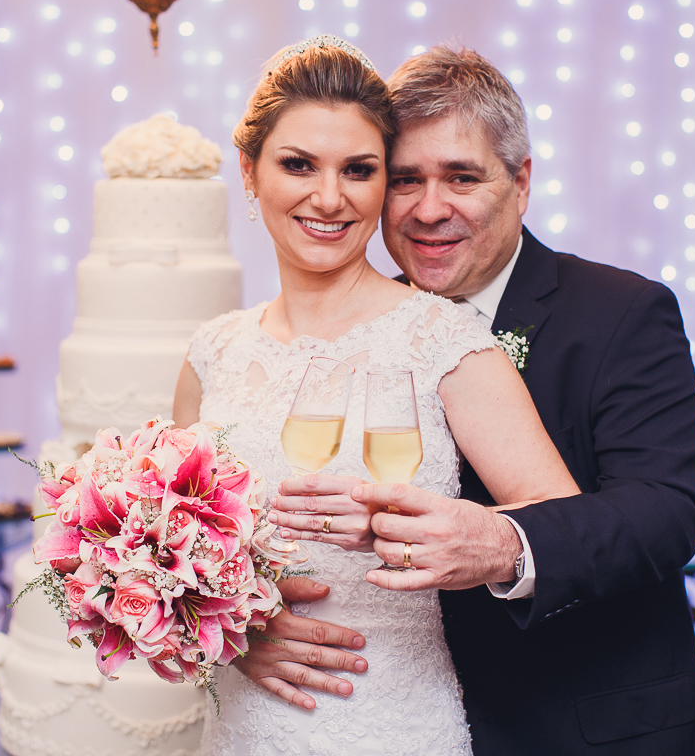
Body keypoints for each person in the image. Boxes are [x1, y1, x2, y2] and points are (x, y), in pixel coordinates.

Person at [241, 46, 695, 755]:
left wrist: (506, 543)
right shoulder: (350, 328)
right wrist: (245, 628)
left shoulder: (622, 311)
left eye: (461, 177)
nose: (430, 210)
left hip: (591, 724)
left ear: (521, 181)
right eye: (405, 180)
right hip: (407, 718)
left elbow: (666, 510)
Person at [172, 37, 580, 755]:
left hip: (394, 722)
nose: (329, 198)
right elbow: (176, 554)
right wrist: (234, 633)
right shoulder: (214, 354)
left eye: (358, 171)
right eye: (298, 164)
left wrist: (423, 533)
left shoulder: (445, 341)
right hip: (243, 728)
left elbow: (563, 530)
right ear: (250, 171)